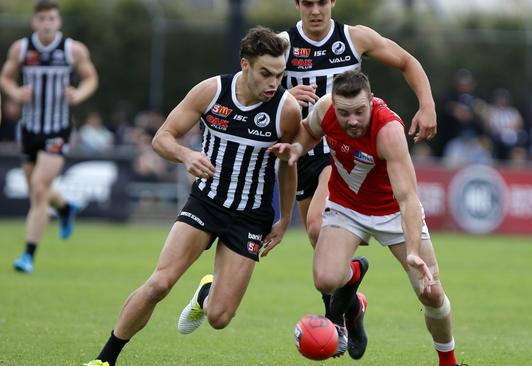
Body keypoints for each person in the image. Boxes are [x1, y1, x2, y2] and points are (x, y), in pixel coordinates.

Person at [84, 26, 301, 366]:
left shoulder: (287, 111)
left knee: (219, 318)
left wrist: (285, 218)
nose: (274, 83)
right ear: (245, 65)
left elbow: (289, 166)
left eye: (280, 74)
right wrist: (186, 156)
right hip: (205, 203)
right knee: (159, 284)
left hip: (250, 216)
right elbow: (162, 138)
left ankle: (206, 293)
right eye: (266, 74)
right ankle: (104, 359)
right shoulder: (211, 92)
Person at [270, 70, 461, 365]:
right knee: (325, 280)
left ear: (371, 101)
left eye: (360, 111)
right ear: (334, 103)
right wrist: (296, 148)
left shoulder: (389, 131)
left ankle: (447, 361)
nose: (353, 120)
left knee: (432, 294)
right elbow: (308, 130)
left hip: (393, 212)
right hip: (346, 207)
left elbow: (408, 199)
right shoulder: (325, 109)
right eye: (345, 113)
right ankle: (354, 288)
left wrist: (411, 251)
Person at [280, 0, 438, 330]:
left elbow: (407, 61)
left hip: (342, 151)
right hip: (306, 147)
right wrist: (283, 96)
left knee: (313, 225)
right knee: (320, 253)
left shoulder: (354, 38)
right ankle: (350, 304)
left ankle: (333, 324)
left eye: (322, 2)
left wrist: (427, 104)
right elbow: (252, 88)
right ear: (297, 4)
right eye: (307, 3)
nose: (315, 10)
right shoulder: (282, 45)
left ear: (332, 2)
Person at [0, 0, 98, 273]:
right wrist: (15, 92)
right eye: (42, 19)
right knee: (35, 188)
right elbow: (5, 77)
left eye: (51, 19)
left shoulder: (72, 49)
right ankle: (66, 207)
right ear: (34, 22)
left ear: (59, 22)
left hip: (58, 129)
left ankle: (28, 255)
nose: (46, 23)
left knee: (40, 190)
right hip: (29, 129)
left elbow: (91, 78)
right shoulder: (21, 49)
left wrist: (78, 94)